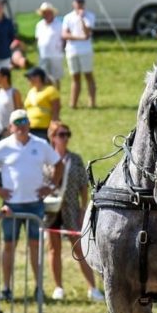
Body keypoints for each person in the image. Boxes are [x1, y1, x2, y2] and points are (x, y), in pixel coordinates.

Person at [0, 109, 62, 302]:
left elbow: (59, 164)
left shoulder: (40, 144)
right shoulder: (3, 146)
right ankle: (6, 288)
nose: (21, 125)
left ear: (29, 124)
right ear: (10, 127)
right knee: (9, 246)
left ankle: (39, 288)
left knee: (36, 246)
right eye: (17, 122)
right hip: (11, 206)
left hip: (35, 204)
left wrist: (50, 187)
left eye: (24, 121)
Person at [43, 120, 102, 302]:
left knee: (79, 249)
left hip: (72, 209)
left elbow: (84, 186)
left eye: (67, 134)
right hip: (51, 210)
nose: (65, 138)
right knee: (54, 249)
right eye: (61, 135)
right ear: (52, 137)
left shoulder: (75, 159)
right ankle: (58, 287)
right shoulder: (45, 159)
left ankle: (93, 288)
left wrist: (83, 208)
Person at [61, 0, 97, 108]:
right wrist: (80, 38)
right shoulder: (68, 17)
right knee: (75, 77)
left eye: (81, 2)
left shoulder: (90, 16)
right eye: (77, 2)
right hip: (72, 50)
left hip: (85, 50)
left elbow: (87, 32)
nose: (79, 4)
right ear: (73, 3)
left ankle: (92, 102)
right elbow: (64, 34)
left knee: (88, 75)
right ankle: (73, 103)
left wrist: (81, 18)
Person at [23, 66, 60, 140]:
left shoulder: (50, 90)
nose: (28, 79)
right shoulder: (31, 92)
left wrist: (53, 125)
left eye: (30, 77)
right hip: (29, 128)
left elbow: (56, 110)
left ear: (38, 77)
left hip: (44, 128)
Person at [34, 2, 64, 89]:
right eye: (44, 13)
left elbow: (63, 38)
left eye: (48, 12)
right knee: (44, 77)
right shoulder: (39, 25)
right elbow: (37, 39)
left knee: (56, 78)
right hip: (43, 55)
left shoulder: (59, 24)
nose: (46, 14)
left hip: (56, 55)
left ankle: (56, 97)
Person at [0, 66, 23, 141]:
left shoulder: (14, 92)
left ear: (5, 77)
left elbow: (19, 112)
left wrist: (13, 127)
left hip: (10, 131)